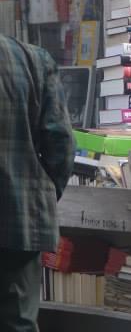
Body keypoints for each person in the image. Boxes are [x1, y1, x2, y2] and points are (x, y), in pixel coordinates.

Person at [0, 34, 75, 332]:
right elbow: (61, 146)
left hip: (21, 219)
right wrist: (37, 199)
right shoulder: (33, 60)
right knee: (18, 323)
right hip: (19, 222)